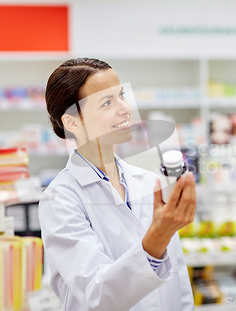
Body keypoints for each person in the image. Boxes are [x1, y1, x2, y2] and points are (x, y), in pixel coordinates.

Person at [38, 57, 196, 311]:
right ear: (72, 122)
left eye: (121, 95)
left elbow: (178, 280)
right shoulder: (60, 199)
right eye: (107, 102)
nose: (125, 108)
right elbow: (98, 295)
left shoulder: (146, 180)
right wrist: (159, 235)